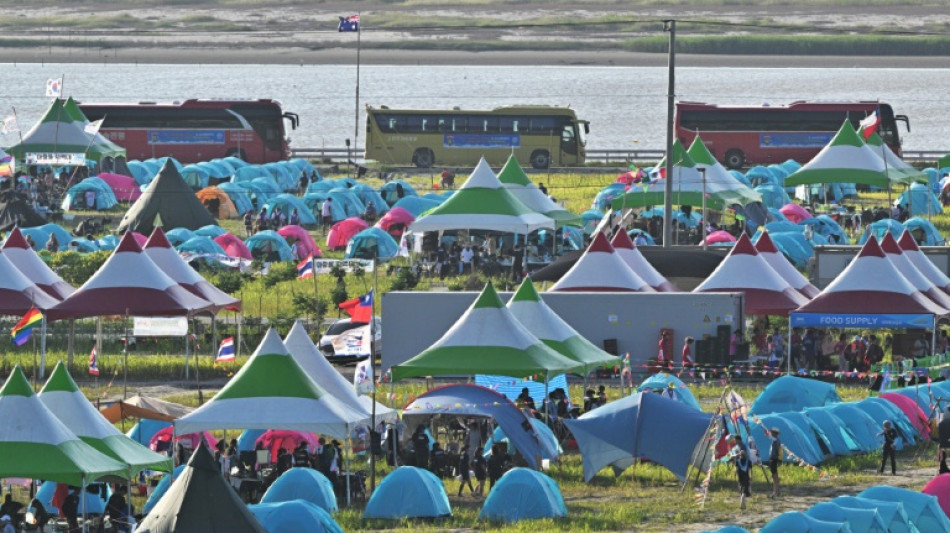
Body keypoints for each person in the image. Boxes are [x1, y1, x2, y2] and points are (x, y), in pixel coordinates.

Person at [729, 435, 752, 510]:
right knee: (745, 486)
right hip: (744, 471)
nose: (735, 441)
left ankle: (743, 497)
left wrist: (735, 456)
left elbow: (741, 454)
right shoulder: (738, 447)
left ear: (738, 440)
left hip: (740, 470)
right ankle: (743, 499)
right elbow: (750, 469)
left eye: (735, 440)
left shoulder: (742, 446)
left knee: (742, 485)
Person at [767, 428, 782, 498]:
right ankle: (777, 491)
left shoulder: (776, 440)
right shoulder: (776, 440)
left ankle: (775, 492)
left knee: (775, 476)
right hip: (773, 459)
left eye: (773, 433)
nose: (771, 434)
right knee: (774, 476)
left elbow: (769, 436)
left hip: (773, 459)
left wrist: (765, 431)